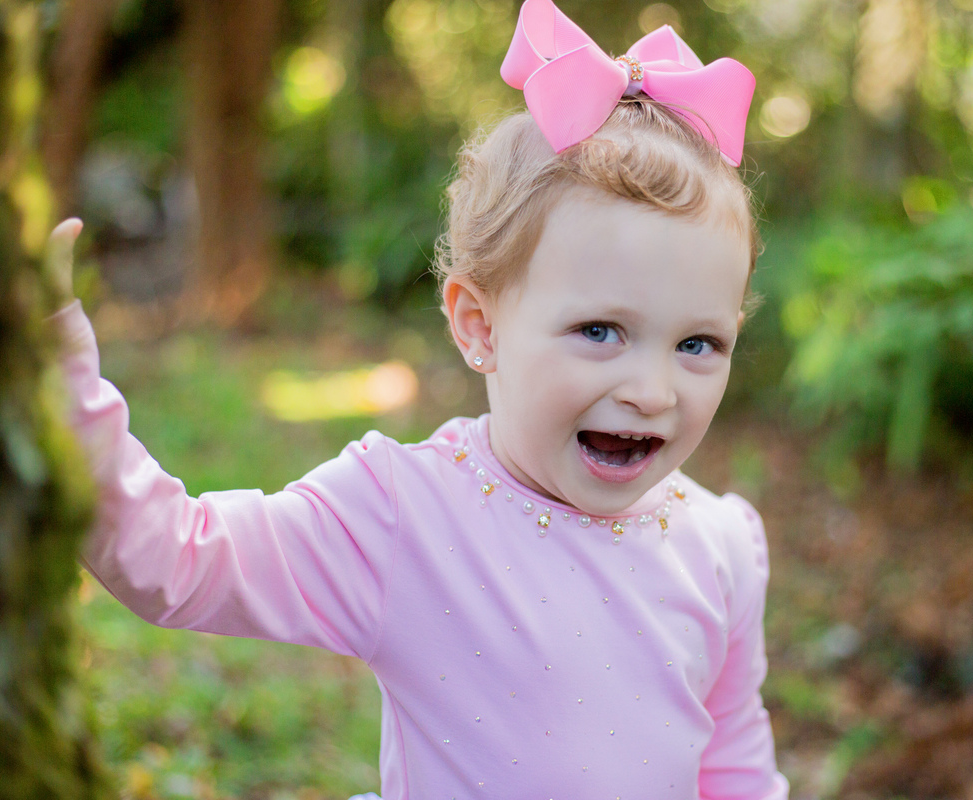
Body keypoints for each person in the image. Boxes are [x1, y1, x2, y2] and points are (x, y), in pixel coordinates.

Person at [46, 1, 789, 797]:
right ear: (480, 325)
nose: (651, 392)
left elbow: (736, 771)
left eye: (697, 345)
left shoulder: (721, 548)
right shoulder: (404, 516)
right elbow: (177, 561)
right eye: (600, 331)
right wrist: (55, 376)